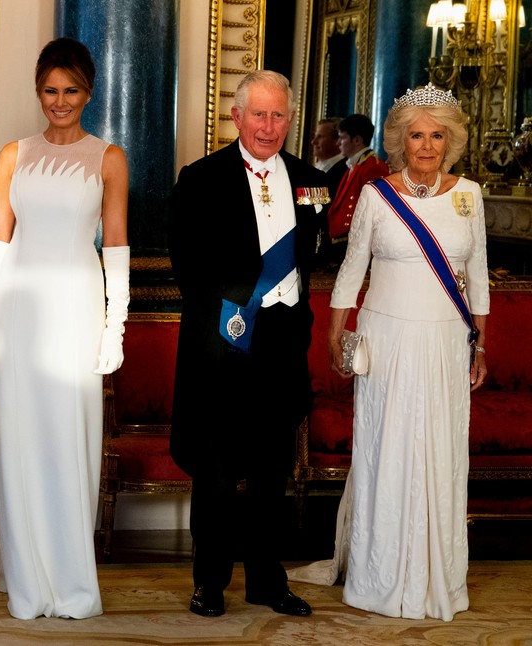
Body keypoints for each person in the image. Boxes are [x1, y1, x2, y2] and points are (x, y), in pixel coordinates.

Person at [0, 37, 129, 620]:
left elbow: (116, 249)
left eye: (71, 91)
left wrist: (115, 329)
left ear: (88, 93)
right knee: (21, 442)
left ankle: (70, 582)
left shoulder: (109, 157)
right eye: (49, 91)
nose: (59, 102)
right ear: (38, 92)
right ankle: (27, 580)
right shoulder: (13, 153)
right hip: (22, 311)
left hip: (78, 310)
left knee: (71, 443)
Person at [320, 83, 488, 621]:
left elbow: (478, 277)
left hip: (444, 341)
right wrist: (333, 333)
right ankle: (378, 578)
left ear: (451, 141)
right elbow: (352, 270)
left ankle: (436, 578)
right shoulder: (376, 195)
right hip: (386, 342)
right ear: (399, 140)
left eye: (437, 135)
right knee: (386, 452)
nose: (426, 145)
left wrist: (479, 342)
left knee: (439, 453)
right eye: (416, 135)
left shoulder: (470, 195)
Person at [168, 69, 326, 619]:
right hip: (224, 341)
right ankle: (210, 583)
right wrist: (238, 308)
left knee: (270, 471)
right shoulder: (201, 178)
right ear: (235, 117)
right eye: (257, 114)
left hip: (283, 347)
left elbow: (314, 261)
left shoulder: (310, 182)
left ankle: (266, 580)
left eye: (278, 114)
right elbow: (187, 266)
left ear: (290, 118)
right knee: (216, 471)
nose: (268, 125)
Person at [325, 113, 389, 265]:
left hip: (355, 244)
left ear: (357, 140)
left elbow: (376, 213)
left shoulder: (373, 167)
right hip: (341, 243)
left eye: (342, 138)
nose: (338, 143)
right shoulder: (354, 166)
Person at [309, 117, 346, 264]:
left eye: (320, 137)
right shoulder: (318, 167)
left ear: (337, 141)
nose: (314, 142)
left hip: (328, 246)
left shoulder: (343, 170)